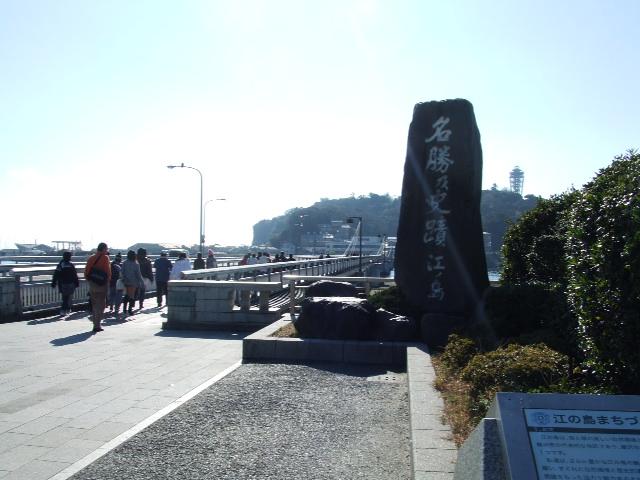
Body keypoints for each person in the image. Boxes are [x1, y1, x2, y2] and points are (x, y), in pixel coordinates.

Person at [84, 242, 112, 333]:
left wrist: (90, 280)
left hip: (92, 283)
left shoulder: (91, 258)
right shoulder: (105, 258)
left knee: (95, 304)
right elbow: (108, 272)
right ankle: (97, 324)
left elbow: (86, 272)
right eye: (106, 249)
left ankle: (95, 324)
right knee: (102, 304)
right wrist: (108, 281)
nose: (107, 250)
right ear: (103, 249)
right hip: (102, 284)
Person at [51, 251, 79, 316]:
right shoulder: (71, 264)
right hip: (71, 283)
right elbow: (74, 274)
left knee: (65, 297)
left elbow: (56, 274)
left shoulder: (60, 264)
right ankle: (67, 309)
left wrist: (54, 283)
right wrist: (77, 282)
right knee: (69, 297)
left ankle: (64, 310)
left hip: (63, 283)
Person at [121, 250, 144, 316]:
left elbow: (122, 272)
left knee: (127, 294)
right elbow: (138, 274)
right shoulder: (136, 263)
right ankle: (130, 310)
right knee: (132, 296)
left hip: (126, 281)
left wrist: (123, 278)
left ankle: (124, 309)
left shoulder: (125, 262)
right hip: (134, 282)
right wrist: (142, 282)